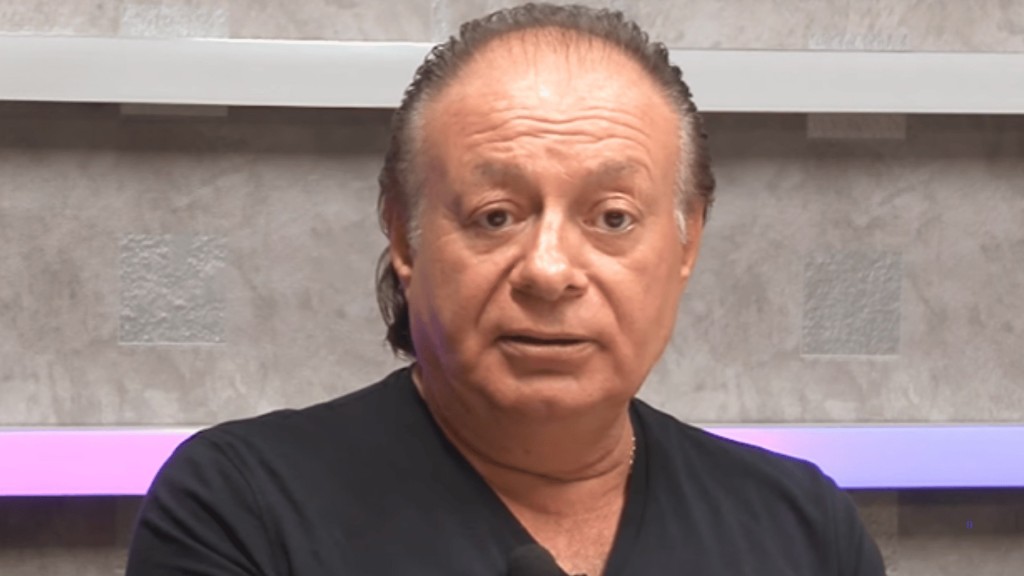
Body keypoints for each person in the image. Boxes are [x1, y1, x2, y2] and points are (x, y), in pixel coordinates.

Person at [125, 4, 885, 575]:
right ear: (404, 235)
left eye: (613, 218)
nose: (549, 271)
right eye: (496, 216)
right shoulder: (242, 508)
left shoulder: (802, 529)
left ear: (688, 240)